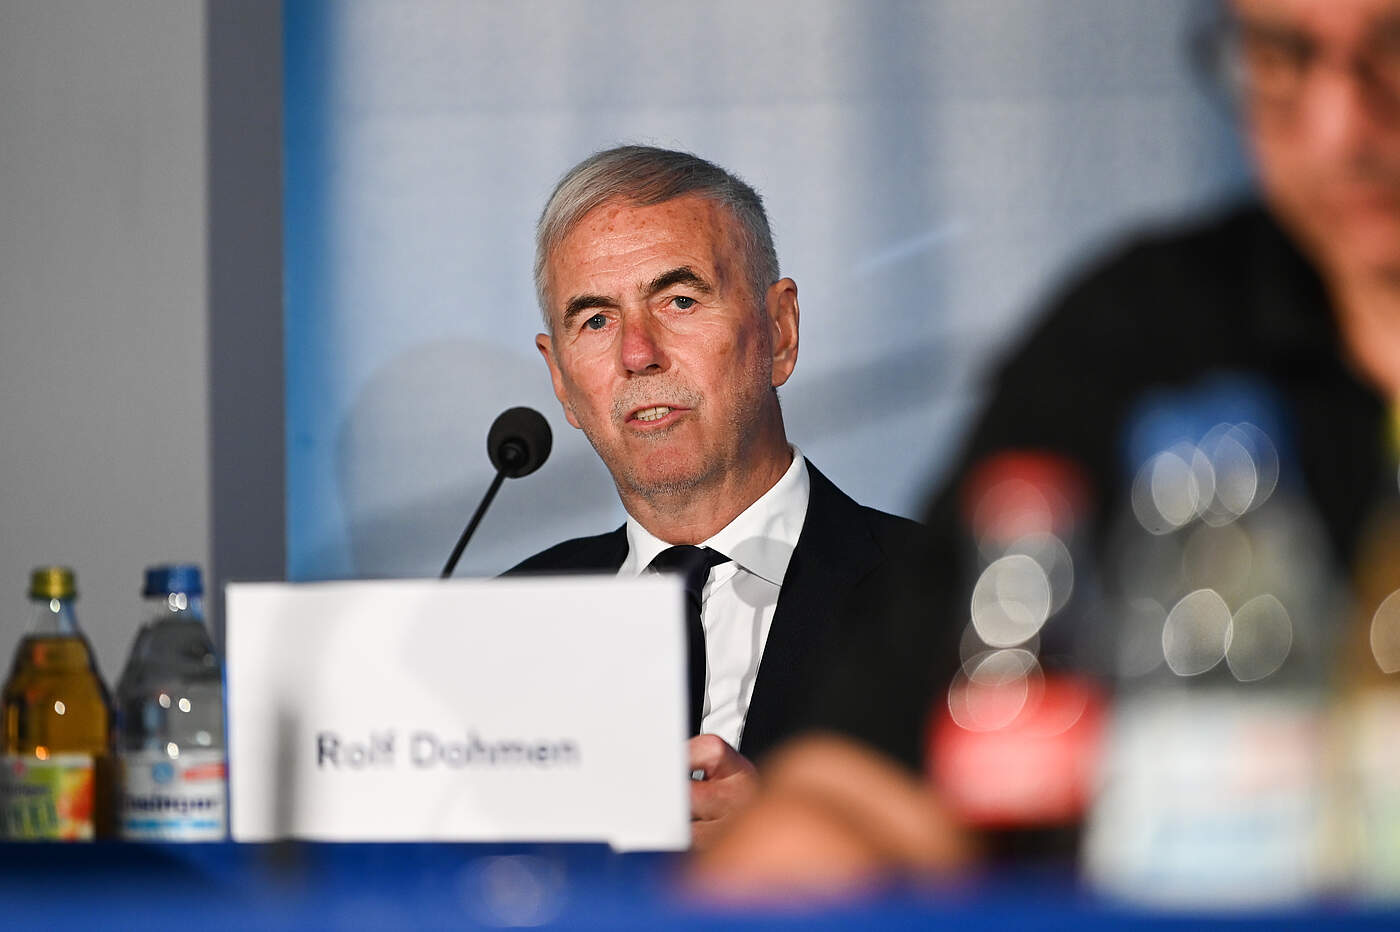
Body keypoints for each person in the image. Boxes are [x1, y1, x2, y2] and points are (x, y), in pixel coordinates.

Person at [694, 0, 1400, 891]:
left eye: (1395, 49)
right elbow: (863, 785)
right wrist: (807, 848)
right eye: (1281, 56)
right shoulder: (1144, 338)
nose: (1342, 130)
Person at [508, 145, 922, 848]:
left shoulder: (942, 596)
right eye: (597, 320)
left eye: (680, 300)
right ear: (561, 381)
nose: (638, 354)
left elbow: (1034, 870)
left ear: (780, 331)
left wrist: (803, 845)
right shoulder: (508, 624)